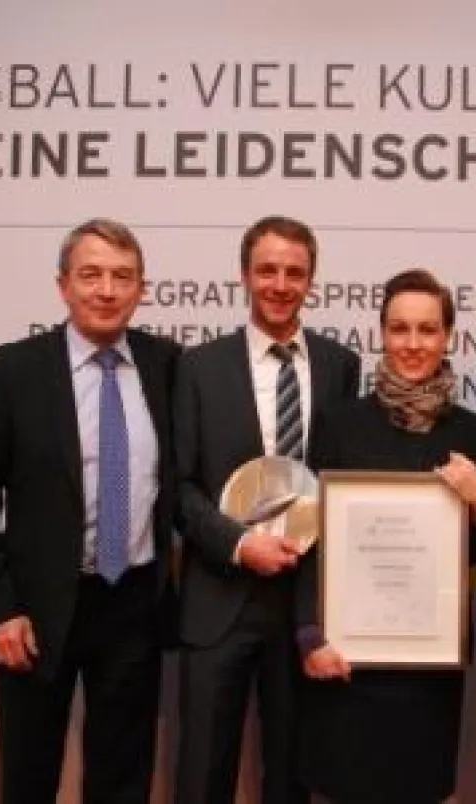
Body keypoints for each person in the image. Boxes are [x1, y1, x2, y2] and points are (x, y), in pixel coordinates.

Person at [0, 219, 180, 803]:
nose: (106, 290)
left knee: (122, 779)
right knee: (29, 776)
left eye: (122, 277)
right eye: (91, 274)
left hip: (132, 602)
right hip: (36, 613)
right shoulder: (12, 371)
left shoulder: (170, 366)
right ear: (63, 286)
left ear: (141, 288)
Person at [174, 215, 360, 804]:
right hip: (218, 601)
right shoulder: (198, 368)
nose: (280, 284)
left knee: (292, 778)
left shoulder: (340, 366)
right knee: (203, 774)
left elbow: (338, 481)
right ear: (244, 276)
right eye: (267, 270)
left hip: (303, 610)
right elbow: (179, 487)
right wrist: (237, 544)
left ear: (312, 281)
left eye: (295, 272)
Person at [292, 268, 476, 804]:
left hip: (428, 658)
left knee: (421, 788)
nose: (412, 344)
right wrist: (309, 632)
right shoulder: (341, 424)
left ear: (449, 336)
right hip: (347, 658)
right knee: (345, 786)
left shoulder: (473, 432)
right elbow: (310, 535)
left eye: (427, 330)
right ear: (381, 333)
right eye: (400, 329)